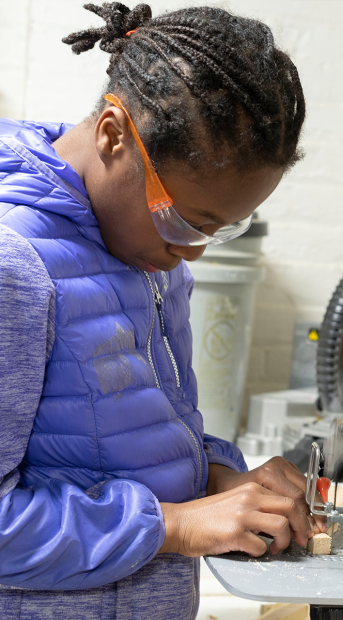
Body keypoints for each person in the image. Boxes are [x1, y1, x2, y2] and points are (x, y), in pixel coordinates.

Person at [0, 3, 323, 618]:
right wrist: (175, 526)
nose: (191, 251)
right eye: (183, 219)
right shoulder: (13, 267)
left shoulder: (148, 253)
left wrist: (221, 481)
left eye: (219, 231)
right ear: (113, 133)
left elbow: (127, 441)